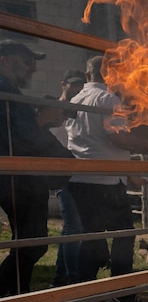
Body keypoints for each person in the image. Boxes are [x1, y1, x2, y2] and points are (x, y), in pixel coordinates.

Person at [65, 55, 148, 302]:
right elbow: (120, 140)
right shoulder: (108, 99)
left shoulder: (75, 99)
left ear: (88, 75)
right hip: (104, 179)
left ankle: (85, 293)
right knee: (124, 235)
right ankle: (123, 295)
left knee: (92, 237)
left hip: (80, 178)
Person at [0, 40, 75, 302]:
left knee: (27, 244)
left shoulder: (10, 91)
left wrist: (40, 119)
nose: (33, 67)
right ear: (5, 59)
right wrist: (42, 120)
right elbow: (16, 139)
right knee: (33, 245)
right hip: (18, 177)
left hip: (22, 177)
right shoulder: (4, 90)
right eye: (27, 61)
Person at [50, 70, 87, 287]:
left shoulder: (78, 112)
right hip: (63, 175)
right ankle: (73, 279)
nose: (77, 89)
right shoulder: (54, 110)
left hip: (76, 173)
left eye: (80, 85)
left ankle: (60, 278)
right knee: (74, 227)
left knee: (70, 228)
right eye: (73, 85)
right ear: (62, 84)